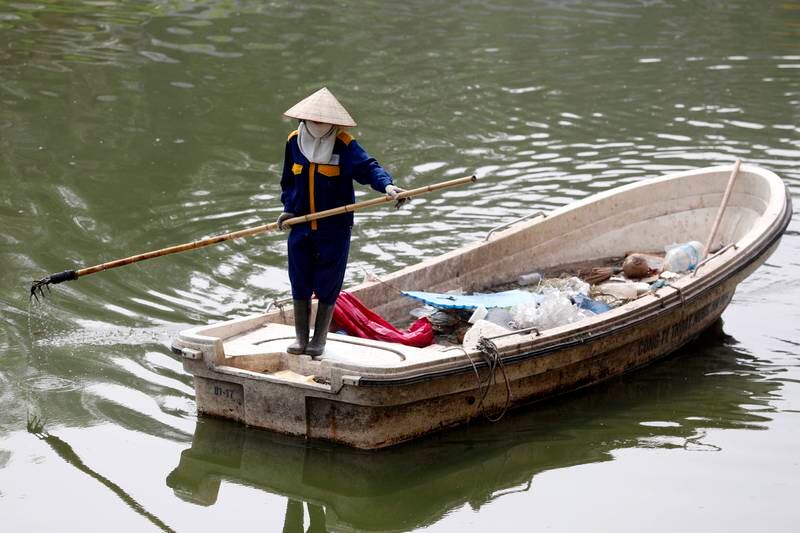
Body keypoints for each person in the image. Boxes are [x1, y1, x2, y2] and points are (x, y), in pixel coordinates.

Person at [276, 87, 405, 356]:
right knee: (299, 278)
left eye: (324, 122)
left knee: (327, 280)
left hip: (333, 227)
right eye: (313, 121)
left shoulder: (344, 144)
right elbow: (288, 181)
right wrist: (288, 209)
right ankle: (301, 338)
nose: (318, 126)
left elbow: (369, 168)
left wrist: (388, 187)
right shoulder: (293, 142)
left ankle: (319, 340)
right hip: (301, 224)